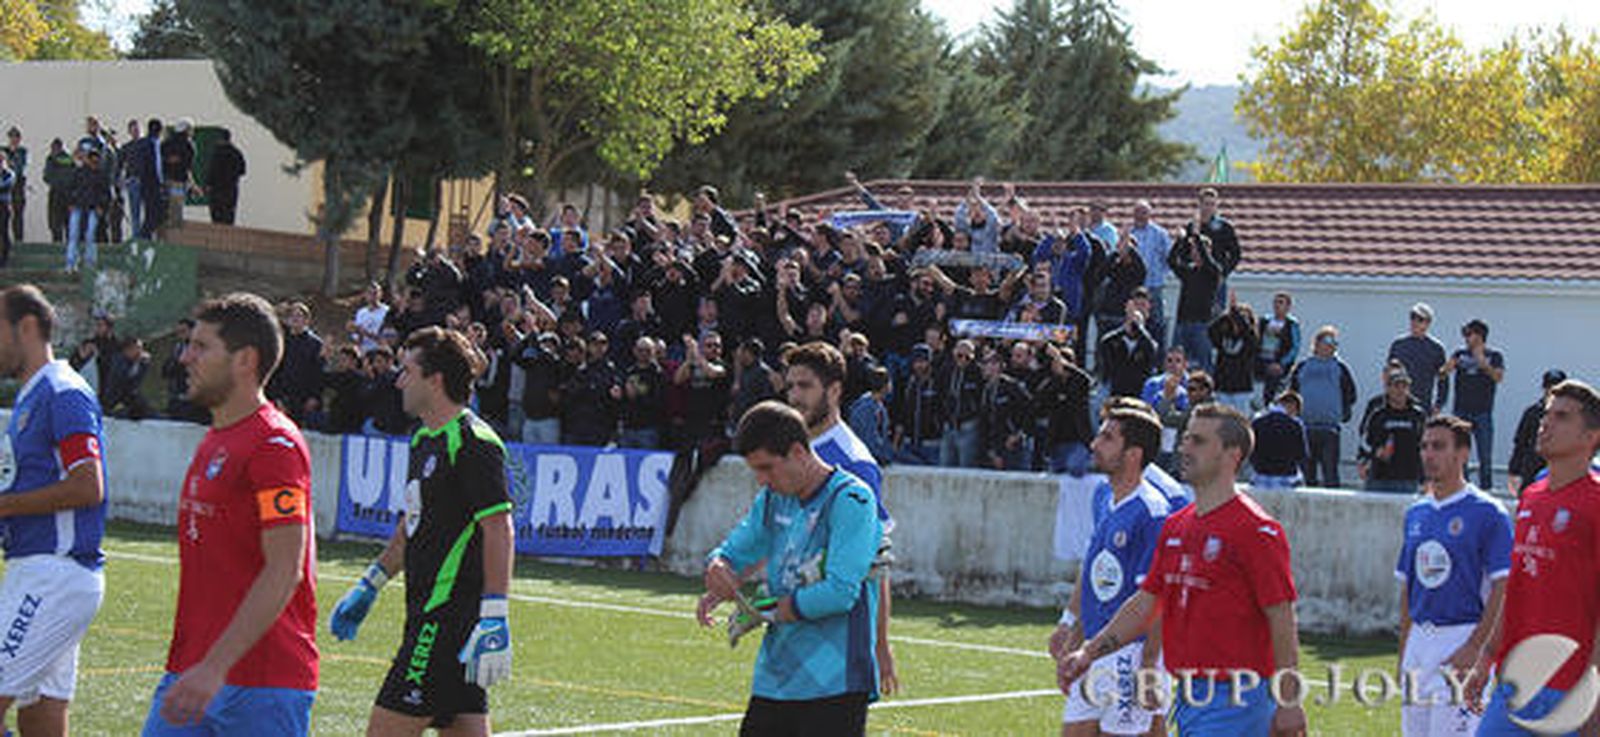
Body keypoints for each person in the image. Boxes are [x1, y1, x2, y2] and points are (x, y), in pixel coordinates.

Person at [1057, 403, 1305, 736]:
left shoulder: (1256, 530)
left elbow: (1281, 615)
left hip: (1239, 699)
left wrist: (1289, 701)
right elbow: (1147, 602)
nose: (1185, 448)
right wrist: (1088, 651)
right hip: (1190, 695)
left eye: (1199, 441)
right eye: (1186, 438)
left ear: (1233, 455)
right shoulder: (1178, 526)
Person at [143, 293, 317, 736]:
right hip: (191, 673)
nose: (185, 357)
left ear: (245, 360)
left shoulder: (274, 446)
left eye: (202, 347)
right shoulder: (216, 439)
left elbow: (285, 568)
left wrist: (214, 667)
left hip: (260, 684)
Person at [327, 327, 513, 736]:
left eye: (407, 371)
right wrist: (370, 583)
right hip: (428, 615)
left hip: (444, 621)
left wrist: (496, 612)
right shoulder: (424, 439)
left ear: (436, 379)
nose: (398, 380)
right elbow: (412, 523)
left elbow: (499, 528)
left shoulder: (474, 441)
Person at [696, 401, 884, 736]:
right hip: (776, 679)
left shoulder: (852, 499)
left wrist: (767, 609)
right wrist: (718, 567)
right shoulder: (773, 499)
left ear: (798, 452)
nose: (762, 480)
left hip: (836, 682)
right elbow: (735, 549)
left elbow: (841, 592)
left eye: (767, 468)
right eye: (756, 470)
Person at [0, 285, 108, 735]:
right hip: (42, 573)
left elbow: (88, 485)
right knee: (42, 719)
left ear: (25, 327)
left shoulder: (62, 391)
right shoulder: (30, 397)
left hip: (53, 575)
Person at [1469, 380, 1600, 734]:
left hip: (1569, 690)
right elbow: (1517, 585)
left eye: (1561, 417)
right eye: (1546, 415)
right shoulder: (1532, 497)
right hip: (1513, 683)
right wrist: (1486, 656)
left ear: (1591, 437)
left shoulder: (1596, 502)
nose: (1546, 424)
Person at [783, 341, 898, 695]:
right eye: (790, 386)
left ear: (833, 391)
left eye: (805, 386)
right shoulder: (794, 449)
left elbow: (876, 562)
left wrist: (881, 644)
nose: (794, 397)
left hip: (842, 633)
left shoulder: (854, 463)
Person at [1048, 406, 1170, 737]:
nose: (1093, 444)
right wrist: (1069, 627)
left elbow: (1158, 600)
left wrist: (1148, 664)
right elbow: (1095, 572)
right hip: (1096, 647)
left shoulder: (1152, 513)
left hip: (1129, 654)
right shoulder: (1103, 495)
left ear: (1133, 454)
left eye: (1107, 437)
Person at [1395, 415, 1511, 737]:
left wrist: (1477, 647)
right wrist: (1405, 649)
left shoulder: (1489, 512)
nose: (1429, 454)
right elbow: (1407, 587)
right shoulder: (1416, 512)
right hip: (1420, 642)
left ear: (1462, 454)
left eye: (1439, 447)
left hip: (1460, 638)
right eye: (1425, 447)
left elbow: (1504, 586)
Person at [1439, 319, 1504, 490]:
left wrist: (1483, 363)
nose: (1465, 338)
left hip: (1483, 411)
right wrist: (1447, 368)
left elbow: (1498, 377)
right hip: (1461, 411)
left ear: (1479, 335)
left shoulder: (1494, 355)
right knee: (1459, 453)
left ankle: (1486, 490)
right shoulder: (1460, 353)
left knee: (1485, 455)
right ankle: (1463, 488)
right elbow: (1443, 373)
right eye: (1465, 334)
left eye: (1469, 334)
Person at [1289, 326, 1357, 488]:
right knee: (1306, 476)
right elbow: (1292, 393)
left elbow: (1351, 394)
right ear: (1317, 343)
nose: (1332, 345)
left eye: (1335, 343)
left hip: (1330, 429)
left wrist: (1341, 412)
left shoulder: (1340, 368)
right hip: (1305, 428)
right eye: (1328, 341)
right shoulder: (1302, 367)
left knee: (1330, 474)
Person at [1358, 364, 1427, 494]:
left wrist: (1427, 477)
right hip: (1379, 478)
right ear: (1388, 388)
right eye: (1396, 386)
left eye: (1404, 386)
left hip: (1408, 479)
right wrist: (1375, 452)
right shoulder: (1378, 414)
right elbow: (1364, 443)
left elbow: (1426, 445)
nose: (1400, 390)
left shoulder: (1418, 415)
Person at [1507, 369, 1567, 496]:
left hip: (1558, 469)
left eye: (1557, 388)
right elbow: (1520, 442)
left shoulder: (1571, 416)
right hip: (1533, 467)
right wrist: (1514, 470)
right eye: (1549, 387)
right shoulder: (1532, 412)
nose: (1552, 391)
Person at [1387, 303, 1448, 413]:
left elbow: (1443, 380)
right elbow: (1388, 374)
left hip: (1423, 405)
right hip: (1398, 404)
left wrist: (1439, 404)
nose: (1415, 322)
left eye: (1420, 319)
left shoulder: (1436, 348)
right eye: (1412, 317)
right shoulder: (1398, 345)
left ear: (1428, 323)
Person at [1251, 391, 1309, 490]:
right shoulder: (1295, 425)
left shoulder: (1257, 422)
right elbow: (1302, 455)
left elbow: (1251, 453)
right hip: (1287, 478)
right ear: (1293, 406)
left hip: (1260, 478)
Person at [1255, 292, 1300, 405]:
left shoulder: (1292, 324)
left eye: (1281, 302)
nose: (1277, 305)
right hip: (1261, 359)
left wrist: (1281, 363)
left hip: (1279, 362)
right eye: (1275, 302)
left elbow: (1294, 347)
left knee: (1273, 379)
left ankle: (1269, 404)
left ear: (1288, 306)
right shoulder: (1264, 321)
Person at [206, 130, 246, 225]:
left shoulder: (217, 153)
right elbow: (242, 171)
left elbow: (212, 170)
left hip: (217, 189)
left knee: (217, 216)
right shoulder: (237, 153)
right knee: (229, 215)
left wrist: (208, 184)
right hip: (231, 189)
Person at [4, 127, 26, 245]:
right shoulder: (3, 150)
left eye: (16, 137)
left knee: (18, 213)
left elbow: (20, 166)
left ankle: (19, 239)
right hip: (5, 186)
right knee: (4, 214)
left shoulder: (22, 151)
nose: (14, 140)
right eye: (12, 137)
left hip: (17, 185)